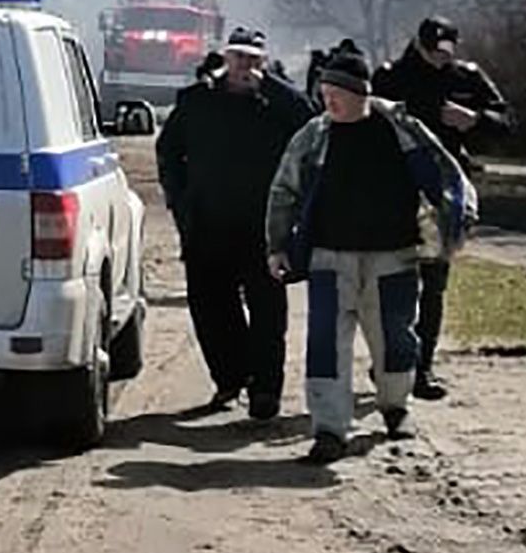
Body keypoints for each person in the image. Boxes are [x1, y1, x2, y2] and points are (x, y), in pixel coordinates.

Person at [266, 43, 477, 465]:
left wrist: (454, 226)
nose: (328, 102)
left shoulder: (403, 131)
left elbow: (446, 176)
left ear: (359, 93)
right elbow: (283, 190)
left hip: (392, 255)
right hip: (329, 256)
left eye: (336, 94)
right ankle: (329, 429)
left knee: (395, 340)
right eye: (324, 94)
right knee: (326, 344)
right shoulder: (314, 136)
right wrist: (276, 245)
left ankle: (395, 408)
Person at [157, 26, 314, 422]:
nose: (245, 66)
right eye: (238, 57)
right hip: (208, 223)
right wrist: (179, 201)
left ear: (263, 61)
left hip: (264, 227)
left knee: (267, 312)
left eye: (253, 59)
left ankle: (265, 391)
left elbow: (312, 126)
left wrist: (271, 87)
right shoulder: (198, 101)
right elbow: (169, 151)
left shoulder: (278, 102)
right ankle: (229, 378)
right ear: (225, 58)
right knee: (211, 309)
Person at [373, 16, 510, 401]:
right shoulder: (390, 78)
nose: (439, 59)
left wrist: (476, 119)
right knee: (394, 283)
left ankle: (421, 367)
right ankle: (390, 357)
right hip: (395, 191)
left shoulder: (466, 77)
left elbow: (507, 121)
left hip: (442, 196)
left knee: (433, 286)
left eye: (445, 52)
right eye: (432, 51)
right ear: (418, 44)